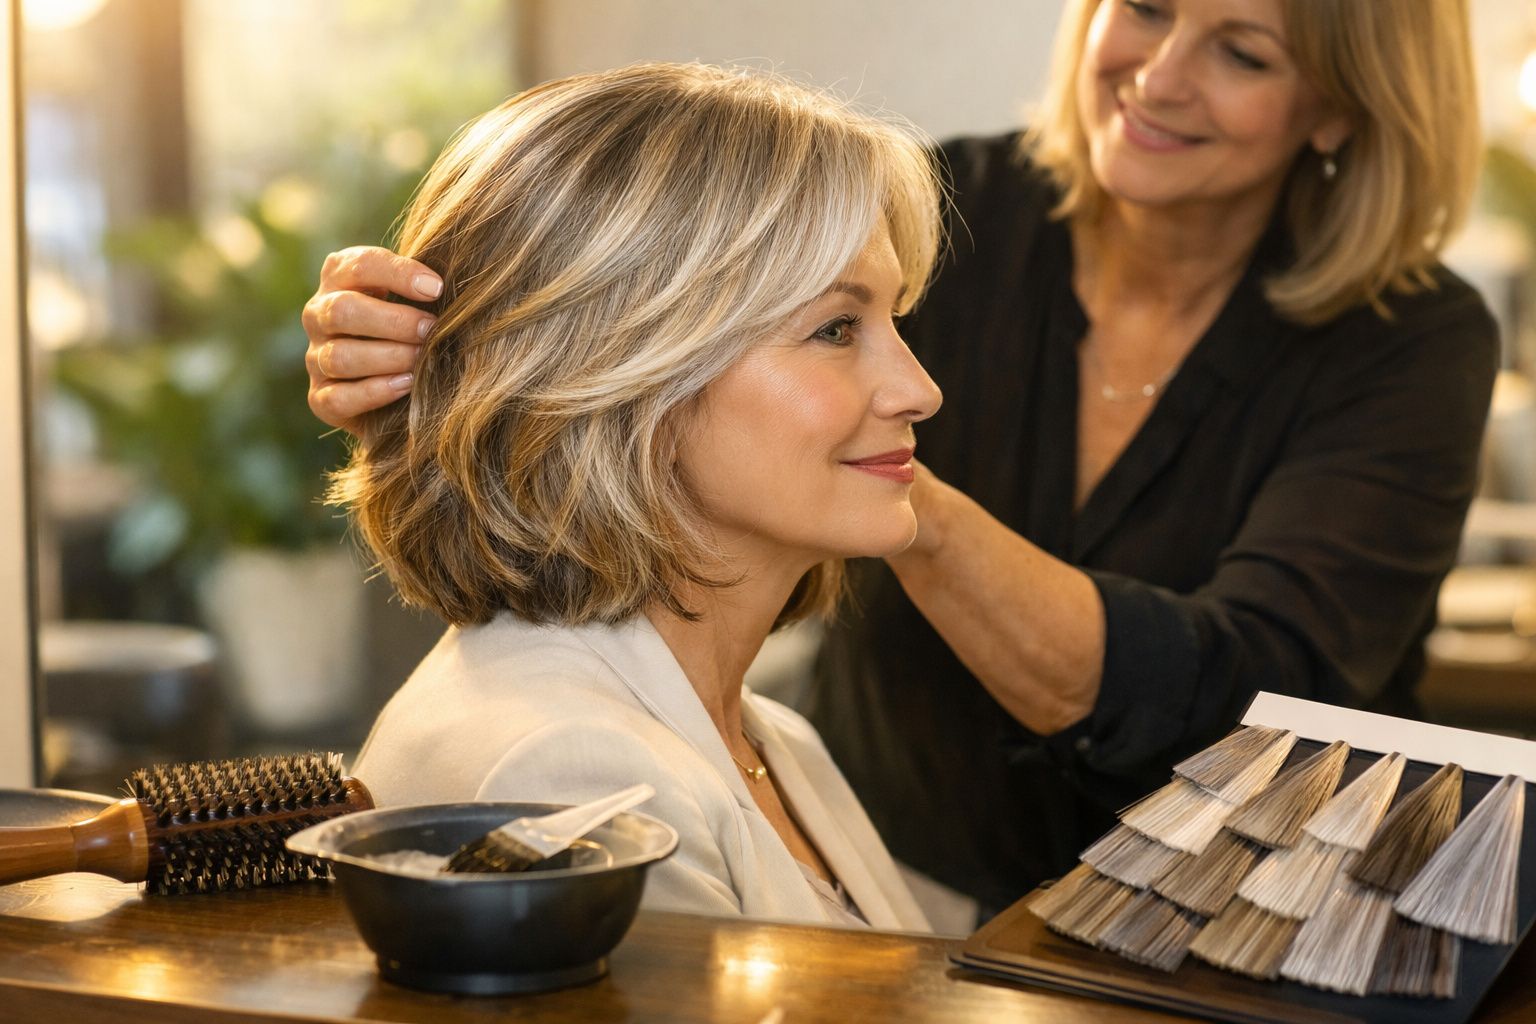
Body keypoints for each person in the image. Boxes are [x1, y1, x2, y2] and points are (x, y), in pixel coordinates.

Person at [305, 0, 1498, 919]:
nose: (1162, 71)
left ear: (1341, 105)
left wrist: (894, 499)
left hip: (1234, 919)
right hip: (913, 852)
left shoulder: (1404, 345)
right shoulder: (575, 769)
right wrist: (457, 345)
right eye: (1142, 4)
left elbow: (1256, 695)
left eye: (1245, 51)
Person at [335, 62, 942, 929]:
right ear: (623, 374)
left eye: (896, 322)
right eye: (835, 329)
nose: (920, 390)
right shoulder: (565, 773)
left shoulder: (771, 742)